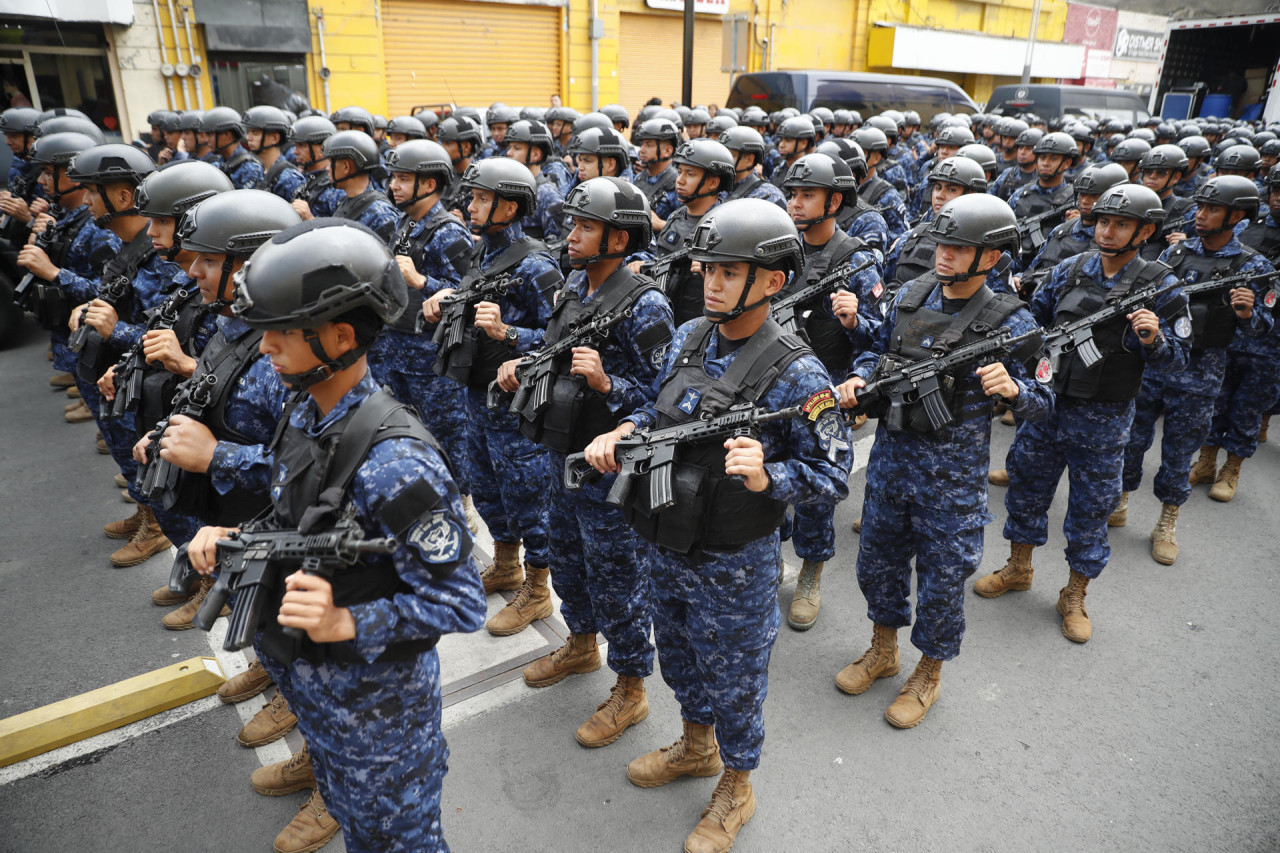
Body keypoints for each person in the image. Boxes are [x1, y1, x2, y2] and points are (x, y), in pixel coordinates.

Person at [188, 218, 486, 853]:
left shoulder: (397, 462)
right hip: (319, 692)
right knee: (357, 830)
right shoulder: (305, 409)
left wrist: (348, 622)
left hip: (381, 718)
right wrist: (236, 537)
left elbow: (461, 601)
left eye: (279, 332)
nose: (263, 345)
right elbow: (291, 510)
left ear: (340, 336)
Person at [585, 198, 852, 853]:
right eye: (708, 268)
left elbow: (835, 471)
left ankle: (736, 784)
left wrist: (772, 477)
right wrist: (628, 431)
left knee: (734, 682)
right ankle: (696, 746)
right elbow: (661, 411)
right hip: (666, 535)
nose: (711, 281)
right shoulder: (689, 336)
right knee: (677, 656)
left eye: (729, 272)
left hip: (733, 559)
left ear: (772, 281)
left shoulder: (800, 370)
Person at [834, 193, 1053, 729]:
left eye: (960, 247)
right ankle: (883, 652)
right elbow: (878, 350)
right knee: (877, 566)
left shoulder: (1012, 321)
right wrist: (861, 374)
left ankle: (928, 672)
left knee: (940, 582)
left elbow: (1047, 399)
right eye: (944, 242)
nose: (945, 253)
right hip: (890, 465)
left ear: (991, 258)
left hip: (951, 485)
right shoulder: (910, 293)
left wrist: (1016, 391)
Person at [497, 177, 675, 746]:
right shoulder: (575, 282)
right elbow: (557, 348)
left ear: (619, 239)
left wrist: (607, 384)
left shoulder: (645, 305)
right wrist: (523, 358)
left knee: (617, 578)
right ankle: (580, 645)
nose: (571, 236)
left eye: (585, 227)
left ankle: (631, 687)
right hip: (562, 454)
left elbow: (667, 399)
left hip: (610, 471)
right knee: (569, 562)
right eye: (572, 225)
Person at [977, 184, 1190, 642]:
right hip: (1049, 407)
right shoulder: (1071, 270)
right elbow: (1031, 324)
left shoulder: (1162, 285)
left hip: (1106, 418)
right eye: (1103, 222)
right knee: (1028, 489)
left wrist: (1154, 339)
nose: (1107, 231)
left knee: (1092, 509)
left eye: (1120, 224)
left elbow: (1180, 359)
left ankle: (1074, 594)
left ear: (1146, 230)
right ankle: (1019, 567)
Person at [423, 157, 562, 636]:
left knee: (529, 497)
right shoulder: (483, 252)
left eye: (483, 198)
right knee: (486, 488)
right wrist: (443, 303)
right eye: (473, 196)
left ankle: (539, 589)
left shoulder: (536, 263)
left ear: (511, 205)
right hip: (475, 396)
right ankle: (507, 565)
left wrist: (510, 335)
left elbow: (564, 337)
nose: (471, 205)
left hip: (515, 405)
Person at [1113, 176, 1275, 563]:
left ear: (1237, 216)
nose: (1200, 216)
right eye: (1199, 208)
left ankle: (1167, 521)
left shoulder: (1252, 266)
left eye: (1211, 209)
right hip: (1155, 364)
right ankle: (1119, 500)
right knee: (1132, 439)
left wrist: (1249, 313)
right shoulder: (1175, 254)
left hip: (1202, 373)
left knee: (1180, 450)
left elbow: (1266, 329)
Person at [778, 152, 883, 629]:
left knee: (815, 488)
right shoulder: (778, 246)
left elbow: (882, 338)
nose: (795, 203)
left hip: (825, 388)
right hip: (772, 385)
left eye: (807, 195)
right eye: (792, 194)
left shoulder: (856, 257)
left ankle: (811, 573)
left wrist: (855, 320)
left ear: (834, 200)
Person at [376, 139, 478, 527]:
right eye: (394, 178)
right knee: (406, 432)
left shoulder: (448, 232)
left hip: (432, 358)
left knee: (447, 437)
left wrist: (421, 280)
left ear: (430, 183)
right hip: (398, 351)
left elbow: (467, 293)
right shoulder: (406, 224)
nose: (395, 186)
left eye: (404, 179)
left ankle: (457, 512)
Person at [1188, 169, 1280, 503]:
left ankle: (1232, 468)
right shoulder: (1245, 228)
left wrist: (1254, 310)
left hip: (1267, 341)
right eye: (1276, 189)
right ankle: (1207, 461)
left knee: (1248, 407)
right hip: (1224, 332)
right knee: (1217, 400)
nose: (1278, 196)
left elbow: (1267, 306)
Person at [635, 138, 736, 326]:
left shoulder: (726, 225)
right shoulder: (676, 216)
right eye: (679, 171)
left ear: (713, 182)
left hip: (702, 326)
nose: (679, 180)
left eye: (690, 174)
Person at [1013, 162, 1129, 297]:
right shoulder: (1060, 230)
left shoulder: (1115, 241)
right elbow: (1034, 267)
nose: (1085, 201)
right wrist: (1020, 278)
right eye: (1082, 194)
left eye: (1094, 195)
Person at [297, 130, 400, 242]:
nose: (327, 168)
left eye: (331, 163)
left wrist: (310, 219)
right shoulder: (347, 202)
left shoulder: (380, 213)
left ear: (346, 167)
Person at [1007, 131, 1079, 267]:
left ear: (1067, 163)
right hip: (1015, 263)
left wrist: (1076, 224)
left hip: (1049, 268)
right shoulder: (1020, 194)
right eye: (1042, 158)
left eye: (1053, 159)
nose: (1045, 163)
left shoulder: (1074, 200)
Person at [502, 119, 565, 242]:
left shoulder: (547, 194)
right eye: (510, 147)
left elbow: (557, 246)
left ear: (536, 155)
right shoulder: (509, 189)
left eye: (517, 148)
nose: (509, 153)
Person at [1137, 144, 1197, 261]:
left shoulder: (1186, 210)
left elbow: (1211, 245)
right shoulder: (1132, 204)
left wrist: (1189, 242)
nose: (1152, 177)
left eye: (1161, 173)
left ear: (1175, 177)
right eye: (1148, 171)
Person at [243, 105, 306, 202]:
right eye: (249, 132)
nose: (248, 137)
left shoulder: (288, 177)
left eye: (255, 133)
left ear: (275, 138)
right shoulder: (255, 170)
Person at [718, 126, 786, 209]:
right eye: (721, 153)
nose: (722, 159)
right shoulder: (712, 187)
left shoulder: (768, 195)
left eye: (730, 155)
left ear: (749, 160)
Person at [630, 117, 682, 224]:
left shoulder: (678, 184)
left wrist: (661, 225)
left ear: (667, 151)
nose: (642, 150)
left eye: (649, 145)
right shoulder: (639, 177)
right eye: (642, 144)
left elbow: (686, 227)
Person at [201, 106, 264, 189]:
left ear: (227, 135)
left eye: (210, 134)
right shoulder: (220, 163)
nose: (206, 140)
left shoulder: (250, 168)